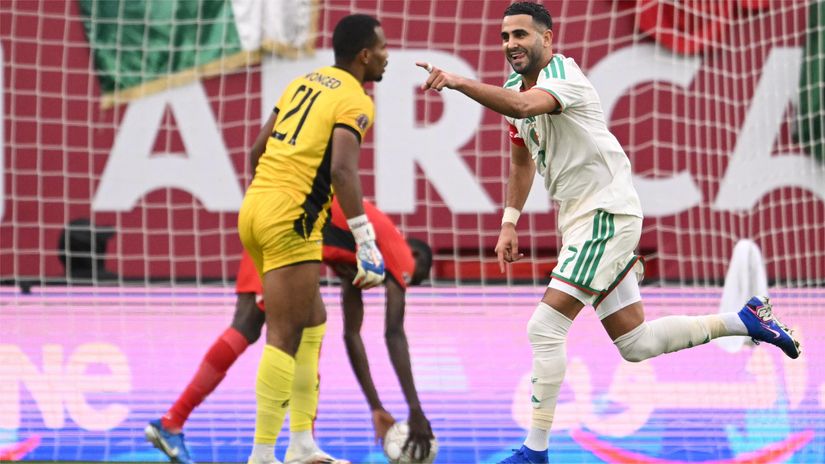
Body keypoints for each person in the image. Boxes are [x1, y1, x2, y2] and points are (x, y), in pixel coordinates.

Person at [416, 2, 802, 464]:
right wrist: (509, 220)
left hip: (606, 214)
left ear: (547, 39)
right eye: (504, 37)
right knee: (635, 344)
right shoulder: (513, 90)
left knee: (544, 327)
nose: (511, 45)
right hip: (581, 221)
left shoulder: (564, 75)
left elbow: (523, 106)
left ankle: (534, 452)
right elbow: (521, 156)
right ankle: (744, 320)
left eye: (521, 35)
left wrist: (457, 82)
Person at [145, 198, 435, 464]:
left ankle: (302, 446)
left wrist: (376, 407)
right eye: (412, 281)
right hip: (286, 226)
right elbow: (393, 333)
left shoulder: (363, 252)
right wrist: (415, 410)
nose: (399, 286)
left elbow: (351, 334)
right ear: (416, 257)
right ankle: (176, 421)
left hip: (275, 215)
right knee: (259, 326)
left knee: (309, 324)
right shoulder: (401, 254)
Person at [239, 13, 386, 464]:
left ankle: (301, 443)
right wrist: (365, 240)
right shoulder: (355, 99)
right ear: (363, 55)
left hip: (256, 208)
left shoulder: (304, 83)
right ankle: (262, 455)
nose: (386, 56)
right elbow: (343, 169)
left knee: (313, 320)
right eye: (381, 48)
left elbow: (256, 151)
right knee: (282, 334)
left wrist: (272, 199)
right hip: (290, 219)